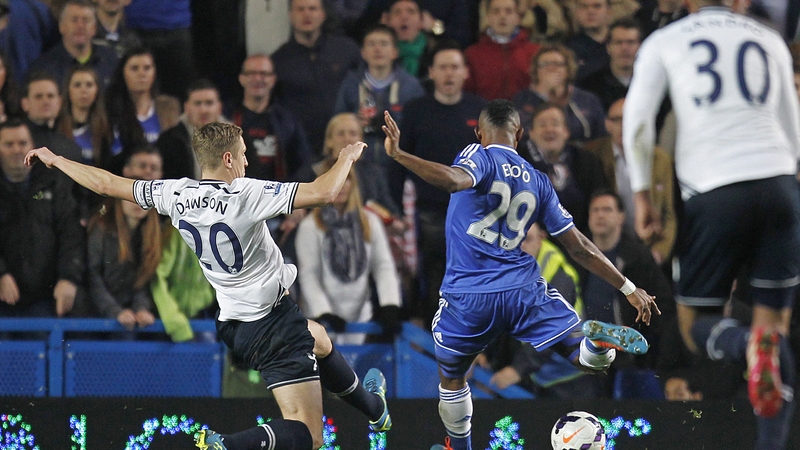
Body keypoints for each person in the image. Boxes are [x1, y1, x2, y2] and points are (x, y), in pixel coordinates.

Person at [25, 122, 391, 450]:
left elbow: (107, 183)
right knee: (310, 436)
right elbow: (325, 192)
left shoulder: (176, 194)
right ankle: (229, 445)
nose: (247, 164)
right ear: (229, 159)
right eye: (245, 156)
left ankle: (374, 408)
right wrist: (346, 158)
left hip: (235, 325)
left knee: (319, 337)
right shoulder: (246, 194)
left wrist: (58, 160)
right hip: (273, 323)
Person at [381, 100, 659, 450]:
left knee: (451, 379)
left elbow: (453, 181)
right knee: (585, 360)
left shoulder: (477, 155)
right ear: (520, 134)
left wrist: (400, 155)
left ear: (479, 133)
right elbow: (579, 247)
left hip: (468, 294)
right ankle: (596, 345)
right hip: (523, 288)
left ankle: (459, 446)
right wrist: (628, 287)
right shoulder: (539, 180)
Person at [623, 0, 800, 448]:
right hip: (780, 186)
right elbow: (793, 128)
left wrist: (643, 194)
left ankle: (745, 344)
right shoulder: (769, 38)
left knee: (693, 323)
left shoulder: (665, 40)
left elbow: (639, 123)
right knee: (775, 329)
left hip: (714, 190)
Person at [386, 44, 485, 324]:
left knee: (472, 277)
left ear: (465, 72)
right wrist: (396, 208)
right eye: (442, 67)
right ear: (431, 73)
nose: (449, 74)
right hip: (429, 212)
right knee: (433, 277)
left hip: (473, 212)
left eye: (455, 67)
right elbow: (399, 162)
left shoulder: (479, 110)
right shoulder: (417, 111)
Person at [295, 168, 402, 343]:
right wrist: (323, 312)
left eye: (346, 179)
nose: (341, 186)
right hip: (322, 320)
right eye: (334, 179)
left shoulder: (370, 222)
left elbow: (383, 267)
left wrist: (390, 305)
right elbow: (309, 275)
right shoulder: (310, 226)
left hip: (361, 317)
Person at [0, 119, 84, 318]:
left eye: (22, 143)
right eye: (8, 144)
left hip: (45, 297)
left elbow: (71, 233)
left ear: (33, 147)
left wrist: (69, 278)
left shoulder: (54, 183)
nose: (17, 150)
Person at [584, 98, 675, 264]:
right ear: (607, 124)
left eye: (630, 119)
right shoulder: (592, 154)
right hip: (605, 248)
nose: (624, 125)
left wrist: (660, 252)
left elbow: (669, 213)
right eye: (617, 120)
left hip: (648, 247)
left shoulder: (660, 159)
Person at [272, 0, 362, 156]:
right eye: (300, 9)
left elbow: (364, 88)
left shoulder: (347, 51)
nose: (307, 14)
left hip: (345, 144)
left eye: (312, 9)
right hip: (299, 150)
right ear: (291, 15)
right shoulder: (279, 61)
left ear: (323, 14)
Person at [86, 146, 161, 330]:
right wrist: (115, 311)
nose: (138, 204)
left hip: (128, 311)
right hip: (98, 311)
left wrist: (141, 308)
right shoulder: (102, 228)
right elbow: (92, 276)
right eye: (131, 198)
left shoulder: (151, 233)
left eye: (143, 199)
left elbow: (143, 281)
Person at [333, 23, 425, 164]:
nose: (377, 49)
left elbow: (419, 128)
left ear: (395, 51)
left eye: (384, 44)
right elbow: (337, 122)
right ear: (363, 52)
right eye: (371, 44)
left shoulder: (411, 86)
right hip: (360, 164)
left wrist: (389, 122)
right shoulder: (350, 83)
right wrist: (354, 122)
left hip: (399, 163)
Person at [521, 103, 608, 234]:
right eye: (542, 125)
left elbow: (598, 198)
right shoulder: (517, 161)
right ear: (531, 133)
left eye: (555, 124)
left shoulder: (586, 161)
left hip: (580, 238)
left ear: (566, 131)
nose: (549, 129)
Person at [228, 54, 314, 184]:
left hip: (278, 198)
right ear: (241, 78)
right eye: (251, 73)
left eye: (263, 74)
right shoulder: (227, 117)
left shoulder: (288, 121)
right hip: (237, 197)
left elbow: (304, 165)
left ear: (273, 79)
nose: (257, 79)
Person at [512, 43, 606, 143]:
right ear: (536, 70)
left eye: (557, 64)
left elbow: (600, 134)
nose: (551, 69)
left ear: (568, 69)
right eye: (545, 64)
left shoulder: (587, 100)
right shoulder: (522, 100)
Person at [105, 46, 177, 171]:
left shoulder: (168, 108)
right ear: (122, 72)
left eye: (147, 68)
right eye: (134, 68)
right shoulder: (108, 108)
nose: (141, 73)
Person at [29, 0, 119, 87]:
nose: (80, 26)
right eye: (74, 20)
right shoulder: (43, 68)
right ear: (61, 26)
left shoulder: (111, 62)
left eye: (86, 20)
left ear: (94, 28)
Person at [464, 0, 539, 101]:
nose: (502, 16)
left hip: (525, 114)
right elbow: (467, 95)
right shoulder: (472, 55)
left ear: (518, 17)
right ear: (488, 17)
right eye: (496, 11)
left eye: (508, 11)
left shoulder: (535, 53)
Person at [157, 78, 227, 180]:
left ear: (219, 107)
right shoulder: (169, 140)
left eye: (209, 103)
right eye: (197, 104)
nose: (203, 110)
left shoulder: (238, 138)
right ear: (186, 108)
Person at [57, 65, 119, 167]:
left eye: (89, 85)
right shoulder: (56, 125)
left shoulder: (108, 128)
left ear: (97, 90)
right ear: (68, 89)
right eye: (77, 85)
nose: (83, 90)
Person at [577, 17, 641, 111]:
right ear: (608, 47)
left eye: (630, 42)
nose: (624, 48)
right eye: (618, 43)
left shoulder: (653, 83)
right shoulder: (590, 85)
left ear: (641, 47)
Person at [566, 0, 611, 83]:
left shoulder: (623, 43)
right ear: (576, 12)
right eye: (584, 6)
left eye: (597, 6)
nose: (591, 11)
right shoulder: (567, 50)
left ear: (609, 11)